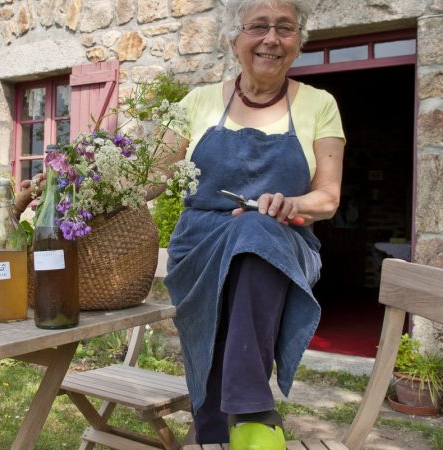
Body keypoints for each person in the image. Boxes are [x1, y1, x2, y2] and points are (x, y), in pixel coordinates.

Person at [161, 0, 345, 448]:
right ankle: (251, 414)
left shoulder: (320, 104)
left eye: (285, 28)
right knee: (248, 239)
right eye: (258, 27)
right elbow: (154, 176)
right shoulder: (196, 102)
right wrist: (93, 182)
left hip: (284, 239)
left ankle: (232, 416)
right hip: (201, 244)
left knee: (256, 233)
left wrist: (291, 203)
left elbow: (328, 197)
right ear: (234, 40)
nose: (271, 38)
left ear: (298, 43)